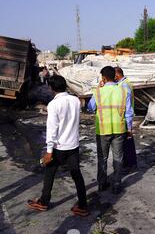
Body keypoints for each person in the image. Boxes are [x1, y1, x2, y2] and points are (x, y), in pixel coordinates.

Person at [27, 75, 89, 217]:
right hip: (73, 145)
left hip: (59, 147)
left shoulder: (54, 105)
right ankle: (83, 205)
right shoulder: (75, 101)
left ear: (51, 88)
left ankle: (44, 202)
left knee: (49, 173)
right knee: (76, 174)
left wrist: (49, 151)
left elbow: (52, 129)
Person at [87, 66, 133, 195]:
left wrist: (98, 89)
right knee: (118, 157)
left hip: (103, 130)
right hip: (119, 129)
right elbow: (129, 113)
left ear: (103, 78)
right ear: (115, 76)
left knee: (103, 158)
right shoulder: (124, 91)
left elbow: (90, 108)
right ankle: (117, 184)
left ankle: (102, 183)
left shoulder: (98, 92)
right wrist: (129, 129)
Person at [115, 67, 137, 171]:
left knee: (127, 143)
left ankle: (130, 165)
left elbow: (127, 107)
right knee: (127, 143)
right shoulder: (126, 83)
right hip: (126, 117)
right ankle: (129, 163)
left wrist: (129, 126)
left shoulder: (123, 85)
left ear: (117, 75)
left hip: (125, 118)